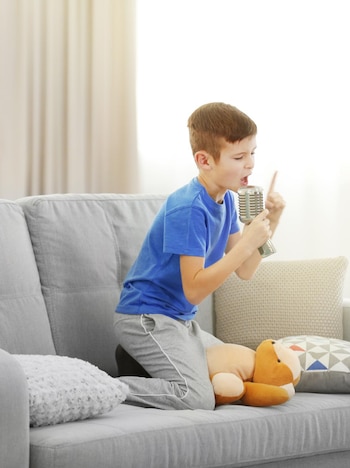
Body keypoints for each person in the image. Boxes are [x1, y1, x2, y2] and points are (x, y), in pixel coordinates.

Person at [114, 102, 285, 410]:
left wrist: (271, 222)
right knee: (197, 397)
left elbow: (245, 270)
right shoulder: (188, 208)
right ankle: (108, 385)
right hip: (146, 319)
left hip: (180, 323)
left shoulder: (227, 201)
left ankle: (145, 367)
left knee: (244, 371)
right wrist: (248, 243)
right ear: (204, 160)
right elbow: (194, 288)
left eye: (252, 153)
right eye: (239, 157)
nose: (250, 165)